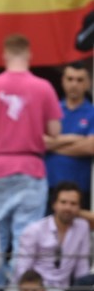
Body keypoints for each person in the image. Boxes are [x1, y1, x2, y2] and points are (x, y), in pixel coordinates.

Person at [0, 34, 63, 277]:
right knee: (27, 236)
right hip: (31, 165)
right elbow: (55, 131)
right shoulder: (43, 87)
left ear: (5, 54)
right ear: (29, 54)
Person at [11, 182, 91, 291]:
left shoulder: (82, 227)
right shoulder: (34, 230)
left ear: (79, 208)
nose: (68, 208)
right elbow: (23, 269)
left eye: (73, 204)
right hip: (27, 288)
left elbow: (82, 270)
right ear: (54, 204)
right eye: (63, 202)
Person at [45, 61, 94, 206]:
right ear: (63, 81)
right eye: (70, 79)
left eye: (79, 80)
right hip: (50, 185)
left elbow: (90, 147)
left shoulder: (92, 112)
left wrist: (54, 144)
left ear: (87, 83)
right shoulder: (51, 110)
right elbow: (40, 143)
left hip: (80, 188)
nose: (74, 84)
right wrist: (75, 139)